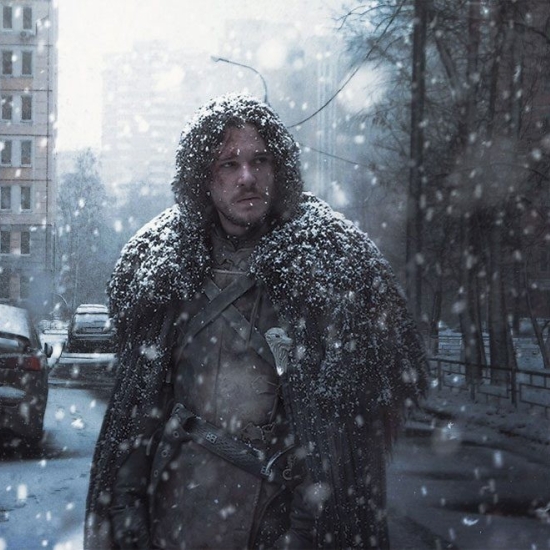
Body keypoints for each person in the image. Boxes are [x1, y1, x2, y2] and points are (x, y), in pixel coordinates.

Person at [84, 93, 428, 549]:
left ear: (278, 167)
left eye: (259, 160)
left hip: (282, 520)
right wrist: (128, 518)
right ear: (203, 180)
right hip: (179, 513)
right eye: (228, 164)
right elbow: (139, 416)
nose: (247, 177)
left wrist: (308, 530)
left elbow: (340, 440)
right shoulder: (164, 269)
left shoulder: (330, 265)